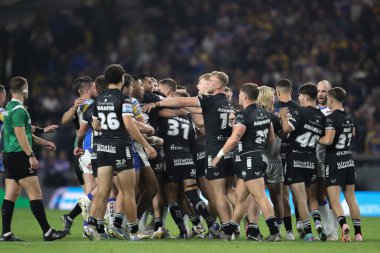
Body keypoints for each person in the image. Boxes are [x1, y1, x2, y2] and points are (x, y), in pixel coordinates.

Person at [144, 71, 235, 237]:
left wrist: (157, 104)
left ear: (217, 85)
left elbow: (182, 101)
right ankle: (216, 225)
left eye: (210, 81)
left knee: (173, 196)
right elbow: (200, 122)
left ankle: (183, 230)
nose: (205, 84)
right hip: (197, 154)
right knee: (197, 192)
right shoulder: (226, 104)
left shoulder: (206, 100)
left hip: (181, 154)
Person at [84, 64, 157, 241]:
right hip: (120, 147)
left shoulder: (98, 99)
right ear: (122, 79)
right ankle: (133, 232)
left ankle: (91, 226)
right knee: (128, 191)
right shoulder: (124, 99)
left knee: (102, 190)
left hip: (102, 147)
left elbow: (95, 125)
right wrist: (146, 145)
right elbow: (129, 124)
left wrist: (109, 127)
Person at [211, 83, 281, 241]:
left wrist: (219, 155)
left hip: (249, 157)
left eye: (240, 95)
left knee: (260, 196)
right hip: (258, 155)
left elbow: (235, 138)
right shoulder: (265, 113)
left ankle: (274, 232)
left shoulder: (243, 115)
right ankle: (228, 231)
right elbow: (271, 139)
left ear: (245, 97)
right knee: (240, 198)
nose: (239, 98)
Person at [0, 76, 67, 241]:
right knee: (35, 194)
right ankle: (48, 232)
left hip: (9, 155)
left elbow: (26, 130)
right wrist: (31, 155)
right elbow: (21, 134)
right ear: (25, 90)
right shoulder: (19, 110)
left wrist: (44, 138)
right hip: (19, 156)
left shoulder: (8, 108)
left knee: (11, 195)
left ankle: (6, 233)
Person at [279, 83, 327, 241]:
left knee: (300, 199)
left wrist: (283, 116)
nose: (298, 98)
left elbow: (286, 129)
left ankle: (309, 234)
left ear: (306, 97)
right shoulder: (322, 117)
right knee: (312, 198)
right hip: (311, 160)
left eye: (299, 96)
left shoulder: (300, 112)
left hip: (296, 159)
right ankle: (318, 224)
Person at [319, 87, 363, 242]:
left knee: (334, 199)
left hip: (335, 161)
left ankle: (343, 226)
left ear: (331, 98)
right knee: (351, 197)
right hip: (349, 160)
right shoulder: (349, 116)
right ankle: (358, 234)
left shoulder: (331, 118)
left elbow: (328, 140)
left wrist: (318, 139)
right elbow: (353, 134)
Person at [257, 86, 284, 235]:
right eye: (272, 96)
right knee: (276, 198)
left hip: (260, 159)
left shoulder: (254, 114)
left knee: (255, 197)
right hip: (272, 160)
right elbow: (284, 135)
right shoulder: (275, 117)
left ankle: (253, 228)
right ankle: (277, 227)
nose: (274, 99)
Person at [273, 79, 299, 240]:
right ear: (291, 91)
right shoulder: (298, 109)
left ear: (277, 91)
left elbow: (281, 132)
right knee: (298, 193)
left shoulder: (272, 108)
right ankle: (299, 225)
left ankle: (282, 227)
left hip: (276, 153)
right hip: (294, 153)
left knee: (281, 194)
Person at [316, 80, 338, 241]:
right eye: (318, 91)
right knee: (318, 194)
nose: (320, 94)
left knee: (331, 195)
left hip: (329, 159)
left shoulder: (333, 113)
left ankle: (333, 231)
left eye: (324, 91)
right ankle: (327, 227)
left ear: (329, 93)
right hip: (315, 160)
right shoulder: (315, 110)